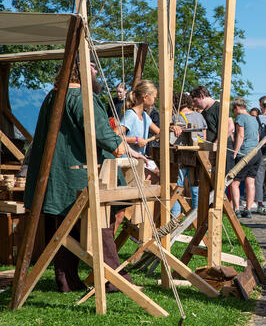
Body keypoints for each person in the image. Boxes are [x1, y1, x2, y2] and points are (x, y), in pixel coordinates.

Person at [24, 63, 136, 293]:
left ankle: (67, 280)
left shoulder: (52, 96)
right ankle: (113, 278)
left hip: (60, 174)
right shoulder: (81, 96)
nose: (97, 73)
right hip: (78, 174)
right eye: (93, 69)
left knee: (67, 226)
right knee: (101, 221)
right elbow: (100, 132)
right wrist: (119, 146)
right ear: (82, 71)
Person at [120, 80, 182, 179]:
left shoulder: (145, 116)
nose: (155, 101)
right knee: (157, 182)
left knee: (159, 180)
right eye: (154, 98)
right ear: (145, 97)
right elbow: (115, 136)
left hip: (138, 161)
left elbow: (160, 133)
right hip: (126, 162)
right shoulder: (131, 115)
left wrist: (172, 128)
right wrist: (135, 140)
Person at [170, 92, 207, 217]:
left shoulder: (175, 117)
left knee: (177, 186)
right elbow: (204, 137)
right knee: (195, 186)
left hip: (180, 156)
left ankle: (175, 216)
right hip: (197, 155)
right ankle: (196, 217)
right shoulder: (199, 116)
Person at [190, 85, 235, 178]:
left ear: (202, 96)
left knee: (222, 181)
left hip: (222, 150)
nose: (194, 104)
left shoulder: (219, 107)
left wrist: (217, 143)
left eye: (195, 101)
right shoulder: (203, 113)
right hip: (210, 152)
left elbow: (230, 126)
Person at [230, 97, 261, 218]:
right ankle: (248, 210)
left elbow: (240, 135)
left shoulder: (240, 117)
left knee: (235, 182)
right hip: (256, 153)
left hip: (245, 153)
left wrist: (235, 152)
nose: (234, 113)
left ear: (237, 107)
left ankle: (236, 209)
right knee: (250, 182)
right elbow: (257, 137)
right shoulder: (254, 119)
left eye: (233, 110)